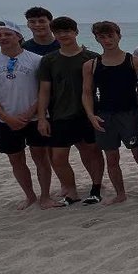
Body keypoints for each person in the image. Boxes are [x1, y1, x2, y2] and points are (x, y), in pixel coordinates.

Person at [0, 19, 52, 209]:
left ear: (18, 36)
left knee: (41, 158)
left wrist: (30, 113)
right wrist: (7, 118)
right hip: (6, 121)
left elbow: (44, 91)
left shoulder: (37, 60)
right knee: (16, 160)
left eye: (8, 34)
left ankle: (45, 196)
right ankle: (30, 196)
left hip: (35, 118)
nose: (3, 38)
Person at [82, 20, 138, 204]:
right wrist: (90, 115)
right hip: (105, 115)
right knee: (112, 158)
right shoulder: (91, 65)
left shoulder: (134, 61)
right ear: (97, 39)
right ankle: (120, 194)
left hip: (130, 114)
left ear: (119, 36)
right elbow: (87, 92)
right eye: (102, 36)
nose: (107, 40)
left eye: (110, 35)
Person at [37, 17, 105, 205]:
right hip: (60, 114)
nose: (63, 35)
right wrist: (42, 117)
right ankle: (72, 191)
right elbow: (44, 90)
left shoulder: (92, 57)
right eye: (58, 32)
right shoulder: (49, 60)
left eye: (67, 31)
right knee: (58, 157)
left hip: (87, 113)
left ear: (75, 32)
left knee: (92, 152)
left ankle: (96, 187)